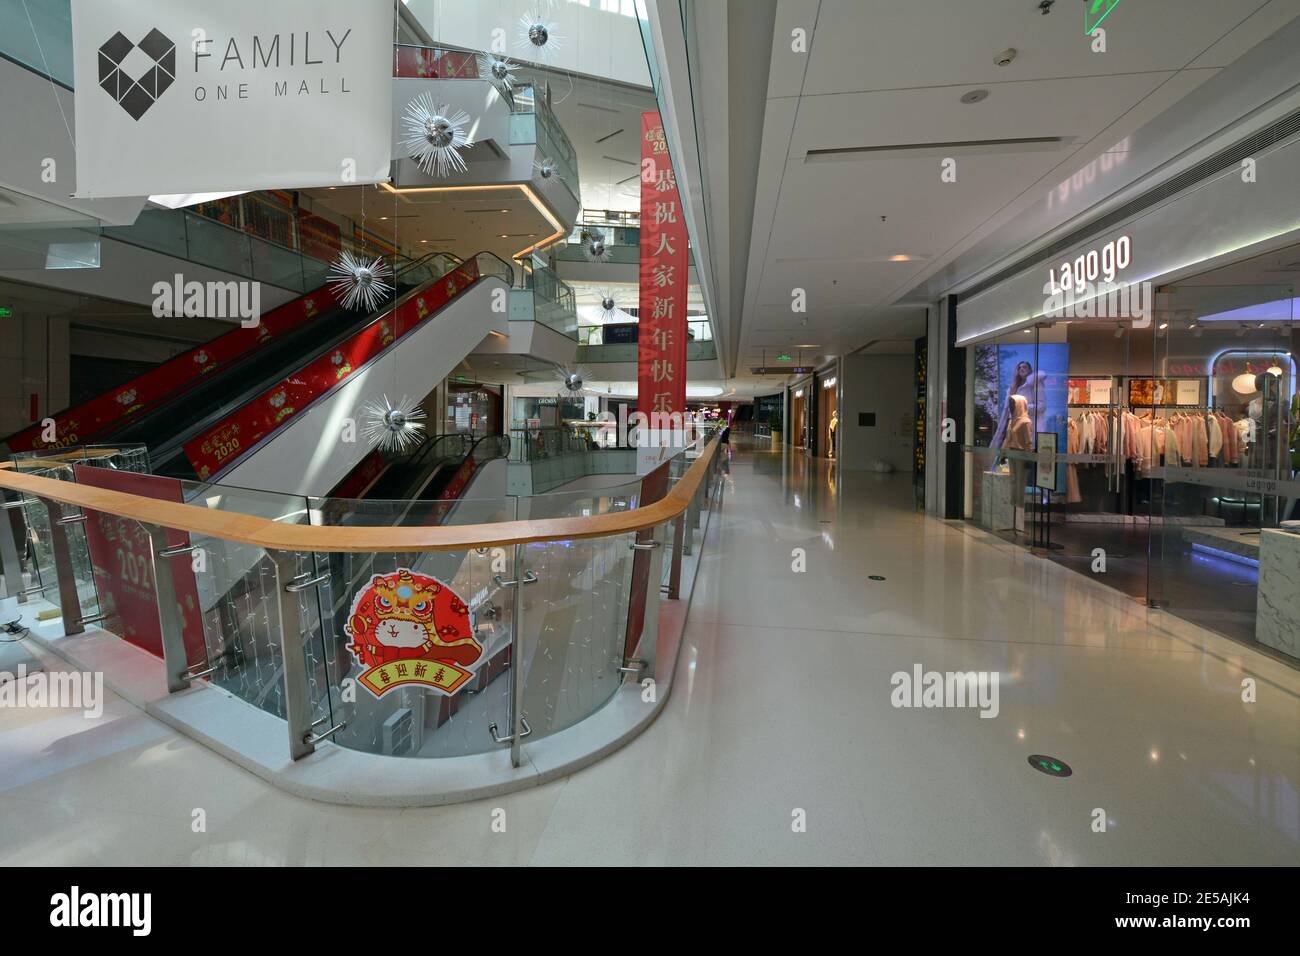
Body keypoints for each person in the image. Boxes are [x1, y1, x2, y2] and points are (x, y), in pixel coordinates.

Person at [990, 360, 1049, 448]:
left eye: (1024, 367)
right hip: (1012, 426)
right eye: (1019, 367)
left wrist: (1021, 408)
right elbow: (1007, 410)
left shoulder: (1035, 384)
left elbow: (1042, 406)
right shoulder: (1013, 387)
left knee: (1025, 453)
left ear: (1029, 370)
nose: (1021, 369)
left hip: (1028, 426)